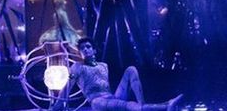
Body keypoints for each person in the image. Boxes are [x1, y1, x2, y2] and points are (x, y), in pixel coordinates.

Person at [54, 38, 182, 111]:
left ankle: (142, 104)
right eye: (82, 48)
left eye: (88, 47)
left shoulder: (104, 65)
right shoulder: (76, 67)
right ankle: (164, 106)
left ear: (94, 50)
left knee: (131, 69)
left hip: (112, 97)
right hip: (97, 101)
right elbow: (67, 87)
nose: (85, 49)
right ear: (80, 53)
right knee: (127, 106)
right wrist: (55, 107)